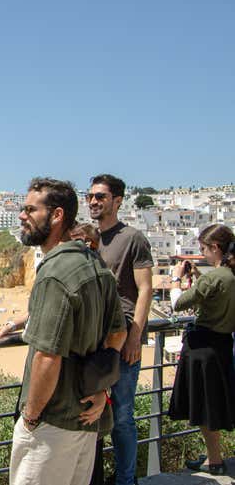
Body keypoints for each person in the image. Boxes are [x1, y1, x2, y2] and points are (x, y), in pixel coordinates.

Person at [10, 178, 126, 485]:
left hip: (52, 423)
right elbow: (117, 336)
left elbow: (47, 357)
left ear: (57, 215)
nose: (22, 216)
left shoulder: (54, 275)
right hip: (86, 417)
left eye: (30, 209)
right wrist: (100, 390)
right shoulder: (97, 266)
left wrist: (31, 417)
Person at [88, 174, 153, 485]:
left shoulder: (133, 238)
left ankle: (127, 480)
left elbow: (145, 290)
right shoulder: (90, 240)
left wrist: (135, 338)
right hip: (95, 340)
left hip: (125, 336)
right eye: (90, 196)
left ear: (117, 201)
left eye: (100, 196)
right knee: (93, 414)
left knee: (123, 417)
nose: (93, 201)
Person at [168, 224, 235, 475]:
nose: (202, 253)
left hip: (203, 348)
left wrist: (175, 277)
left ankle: (214, 460)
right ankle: (213, 457)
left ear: (216, 248)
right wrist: (198, 277)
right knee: (215, 403)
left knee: (206, 406)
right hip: (223, 344)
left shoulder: (215, 277)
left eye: (204, 249)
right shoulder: (228, 275)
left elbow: (177, 303)